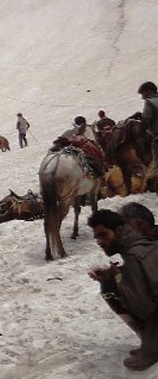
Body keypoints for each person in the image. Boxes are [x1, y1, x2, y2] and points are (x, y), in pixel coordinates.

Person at [88, 209, 158, 371]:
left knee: (109, 288)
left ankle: (152, 348)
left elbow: (143, 307)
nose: (99, 241)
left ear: (119, 230)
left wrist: (115, 279)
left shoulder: (133, 256)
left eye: (103, 235)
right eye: (97, 237)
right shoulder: (145, 245)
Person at [140, 83, 158, 184]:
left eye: (143, 94)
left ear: (148, 91)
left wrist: (141, 134)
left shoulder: (150, 102)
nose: (142, 97)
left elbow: (146, 120)